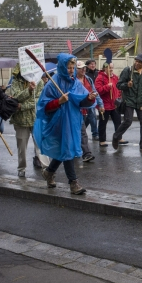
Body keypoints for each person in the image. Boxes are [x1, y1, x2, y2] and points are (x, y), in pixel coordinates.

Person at [34, 54, 99, 195]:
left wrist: (88, 98)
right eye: (68, 67)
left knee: (64, 149)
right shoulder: (52, 84)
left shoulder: (76, 83)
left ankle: (49, 172)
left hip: (73, 121)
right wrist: (58, 102)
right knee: (67, 149)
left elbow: (81, 102)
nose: (71, 70)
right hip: (58, 123)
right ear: (62, 67)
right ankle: (73, 182)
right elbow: (44, 107)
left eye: (72, 67)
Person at [8, 64, 49, 177]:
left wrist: (22, 106)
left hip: (36, 118)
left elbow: (39, 100)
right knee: (21, 146)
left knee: (40, 145)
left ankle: (47, 169)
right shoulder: (15, 82)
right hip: (20, 120)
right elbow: (16, 98)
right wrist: (29, 91)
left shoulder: (39, 82)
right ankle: (21, 168)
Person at [112, 53, 142, 152]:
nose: (137, 63)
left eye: (140, 62)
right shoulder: (128, 70)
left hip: (141, 102)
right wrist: (127, 85)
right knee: (128, 121)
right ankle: (116, 136)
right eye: (136, 61)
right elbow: (118, 85)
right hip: (129, 100)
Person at [75, 60, 104, 162]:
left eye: (84, 67)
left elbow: (94, 91)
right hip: (76, 111)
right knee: (81, 132)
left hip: (88, 109)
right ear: (76, 69)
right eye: (80, 68)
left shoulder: (88, 79)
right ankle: (85, 153)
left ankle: (82, 151)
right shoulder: (72, 81)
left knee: (80, 132)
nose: (83, 69)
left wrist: (100, 104)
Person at [95, 62, 127, 147]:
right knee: (103, 123)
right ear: (105, 68)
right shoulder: (100, 78)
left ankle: (119, 138)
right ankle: (102, 140)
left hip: (115, 105)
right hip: (104, 105)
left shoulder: (116, 77)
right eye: (109, 68)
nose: (111, 69)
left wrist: (119, 97)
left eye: (112, 67)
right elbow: (98, 91)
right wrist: (107, 87)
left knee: (118, 122)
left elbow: (118, 89)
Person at [85, 59, 99, 140]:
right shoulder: (86, 75)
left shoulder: (98, 73)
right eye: (91, 64)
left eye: (94, 64)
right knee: (92, 114)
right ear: (87, 66)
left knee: (90, 115)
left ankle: (82, 130)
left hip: (98, 96)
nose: (93, 65)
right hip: (89, 97)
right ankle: (95, 133)